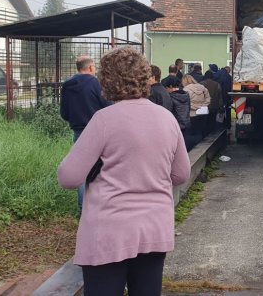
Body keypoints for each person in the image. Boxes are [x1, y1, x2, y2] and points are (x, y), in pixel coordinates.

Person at [57, 47, 190, 295]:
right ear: (144, 77)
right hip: (153, 228)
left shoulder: (104, 120)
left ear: (106, 80)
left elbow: (68, 177)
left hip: (108, 231)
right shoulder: (166, 119)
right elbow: (181, 175)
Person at [60, 56, 112, 213]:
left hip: (78, 131)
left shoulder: (67, 85)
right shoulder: (95, 83)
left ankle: (84, 208)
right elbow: (107, 105)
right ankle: (101, 205)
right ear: (90, 68)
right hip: (98, 131)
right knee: (102, 168)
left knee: (82, 168)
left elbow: (64, 113)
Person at [182, 74, 210, 141]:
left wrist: (194, 107)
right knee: (200, 131)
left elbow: (186, 102)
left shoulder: (185, 89)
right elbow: (208, 99)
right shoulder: (202, 87)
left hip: (191, 114)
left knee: (191, 133)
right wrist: (202, 106)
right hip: (202, 113)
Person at [200, 70, 223, 136]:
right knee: (212, 121)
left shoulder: (201, 84)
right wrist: (220, 107)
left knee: (204, 122)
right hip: (214, 106)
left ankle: (205, 135)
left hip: (203, 107)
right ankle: (212, 134)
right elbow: (220, 97)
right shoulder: (217, 84)